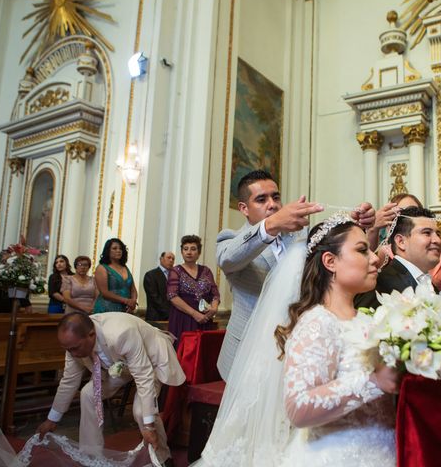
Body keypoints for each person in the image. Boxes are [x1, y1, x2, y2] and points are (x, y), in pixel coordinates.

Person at [197, 213, 398, 466]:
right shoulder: (317, 323)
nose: (375, 258)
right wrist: (373, 382)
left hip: (384, 450)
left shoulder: (368, 322)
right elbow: (299, 407)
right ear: (330, 261)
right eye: (362, 250)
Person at [216, 170, 374, 379]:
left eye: (276, 197)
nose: (272, 204)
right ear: (244, 208)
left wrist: (352, 225)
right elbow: (227, 258)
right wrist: (270, 225)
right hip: (248, 352)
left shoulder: (299, 237)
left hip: (296, 344)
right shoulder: (231, 238)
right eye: (261, 199)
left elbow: (328, 258)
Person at [36, 312, 186, 465]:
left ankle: (163, 458)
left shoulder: (121, 333)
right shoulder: (73, 345)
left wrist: (148, 427)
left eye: (75, 348)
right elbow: (69, 380)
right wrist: (52, 419)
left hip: (150, 359)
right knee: (88, 393)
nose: (73, 354)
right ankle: (91, 456)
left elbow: (143, 376)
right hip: (119, 364)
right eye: (69, 350)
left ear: (91, 334)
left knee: (141, 412)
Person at [368, 193, 441, 291]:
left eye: (413, 210)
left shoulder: (438, 248)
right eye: (403, 212)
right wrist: (373, 228)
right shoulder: (384, 262)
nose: (436, 240)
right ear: (400, 241)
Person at [356, 206, 441, 308]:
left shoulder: (430, 285)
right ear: (401, 242)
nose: (437, 240)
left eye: (438, 234)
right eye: (427, 233)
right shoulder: (380, 284)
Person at [167, 236, 219, 344]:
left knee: (203, 351)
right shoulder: (175, 271)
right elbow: (172, 296)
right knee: (185, 352)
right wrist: (194, 314)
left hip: (205, 318)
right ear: (181, 252)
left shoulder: (206, 271)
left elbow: (215, 294)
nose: (189, 252)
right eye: (185, 249)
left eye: (193, 249)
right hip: (183, 318)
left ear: (199, 253)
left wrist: (213, 309)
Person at [93, 238, 137, 314]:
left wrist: (133, 301)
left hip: (126, 309)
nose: (118, 251)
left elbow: (133, 289)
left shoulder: (125, 267)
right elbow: (104, 292)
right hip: (107, 308)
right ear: (108, 251)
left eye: (120, 249)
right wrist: (126, 301)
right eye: (114, 248)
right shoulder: (102, 268)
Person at [143, 251, 175, 322]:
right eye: (169, 258)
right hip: (156, 316)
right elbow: (154, 297)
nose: (171, 260)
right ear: (161, 259)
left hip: (173, 317)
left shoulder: (174, 276)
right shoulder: (151, 275)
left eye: (173, 259)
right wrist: (169, 314)